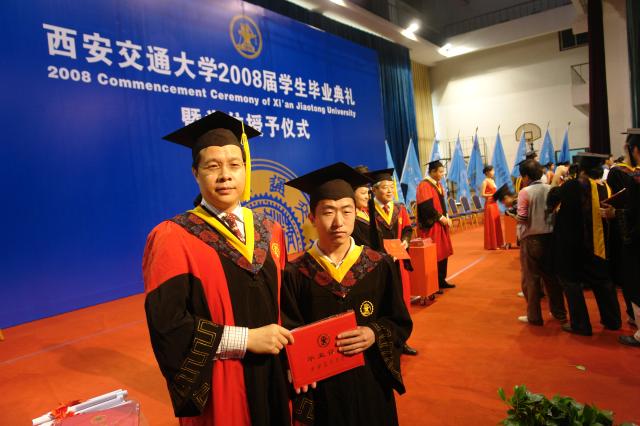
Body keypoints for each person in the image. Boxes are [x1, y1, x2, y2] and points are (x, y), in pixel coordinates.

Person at [143, 111, 293, 426]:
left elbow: (288, 306)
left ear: (245, 170)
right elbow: (168, 326)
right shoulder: (173, 237)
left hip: (275, 377)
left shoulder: (271, 230)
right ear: (195, 173)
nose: (225, 175)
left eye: (234, 165)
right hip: (222, 385)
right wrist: (245, 340)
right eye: (212, 166)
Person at [282, 162, 413, 425]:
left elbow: (399, 322)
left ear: (357, 212)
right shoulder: (296, 273)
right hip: (324, 392)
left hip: (371, 383)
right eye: (328, 212)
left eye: (346, 211)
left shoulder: (378, 265)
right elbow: (289, 332)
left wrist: (374, 333)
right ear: (312, 218)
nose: (338, 222)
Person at [548, 153, 622, 336]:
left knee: (571, 283)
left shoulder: (573, 185)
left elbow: (551, 201)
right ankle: (612, 320)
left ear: (581, 169)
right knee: (602, 282)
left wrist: (557, 179)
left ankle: (580, 324)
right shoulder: (606, 187)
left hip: (573, 245)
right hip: (598, 245)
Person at [365, 168, 418, 356]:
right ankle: (384, 343)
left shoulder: (399, 209)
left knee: (400, 301)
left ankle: (401, 341)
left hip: (398, 264)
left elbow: (408, 229)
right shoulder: (368, 212)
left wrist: (405, 241)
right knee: (383, 302)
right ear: (375, 190)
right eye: (385, 187)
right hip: (379, 265)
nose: (390, 191)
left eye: (391, 187)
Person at [514, 159, 567, 325]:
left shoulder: (525, 192)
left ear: (526, 176)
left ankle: (534, 316)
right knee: (552, 278)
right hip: (550, 237)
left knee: (531, 280)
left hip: (531, 238)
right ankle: (559, 313)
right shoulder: (550, 189)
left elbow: (522, 218)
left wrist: (513, 215)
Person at [603, 129, 640, 346]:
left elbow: (633, 212)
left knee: (634, 281)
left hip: (634, 237)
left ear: (633, 150)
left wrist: (615, 213)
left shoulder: (630, 178)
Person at [416, 161, 455, 292]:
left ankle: (441, 280)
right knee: (434, 254)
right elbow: (426, 207)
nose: (443, 174)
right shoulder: (424, 185)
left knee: (443, 252)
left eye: (443, 171)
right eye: (440, 171)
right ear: (432, 172)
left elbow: (442, 204)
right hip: (431, 226)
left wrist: (447, 216)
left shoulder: (438, 185)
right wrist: (441, 218)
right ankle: (434, 283)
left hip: (440, 224)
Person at [351, 165, 376, 248]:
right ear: (353, 194)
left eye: (368, 193)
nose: (367, 197)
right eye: (363, 193)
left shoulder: (367, 212)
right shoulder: (352, 218)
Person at [481, 165, 504, 250]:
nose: (493, 172)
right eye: (492, 171)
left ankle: (498, 243)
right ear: (487, 172)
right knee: (491, 223)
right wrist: (492, 194)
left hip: (494, 203)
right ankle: (492, 244)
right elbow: (482, 194)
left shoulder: (492, 180)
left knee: (496, 222)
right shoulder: (485, 182)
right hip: (489, 204)